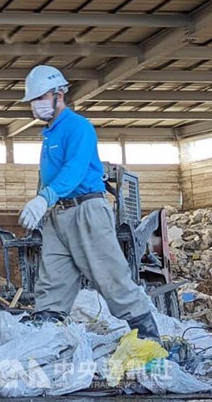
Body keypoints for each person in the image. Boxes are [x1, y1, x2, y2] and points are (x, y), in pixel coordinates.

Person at [18, 65, 160, 341]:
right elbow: (51, 176)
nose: (36, 106)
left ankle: (149, 340)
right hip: (58, 215)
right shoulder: (49, 135)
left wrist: (43, 198)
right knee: (52, 283)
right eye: (33, 101)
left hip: (86, 211)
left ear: (59, 94)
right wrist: (44, 205)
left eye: (41, 98)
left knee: (111, 277)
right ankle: (43, 339)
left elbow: (75, 169)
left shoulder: (78, 127)